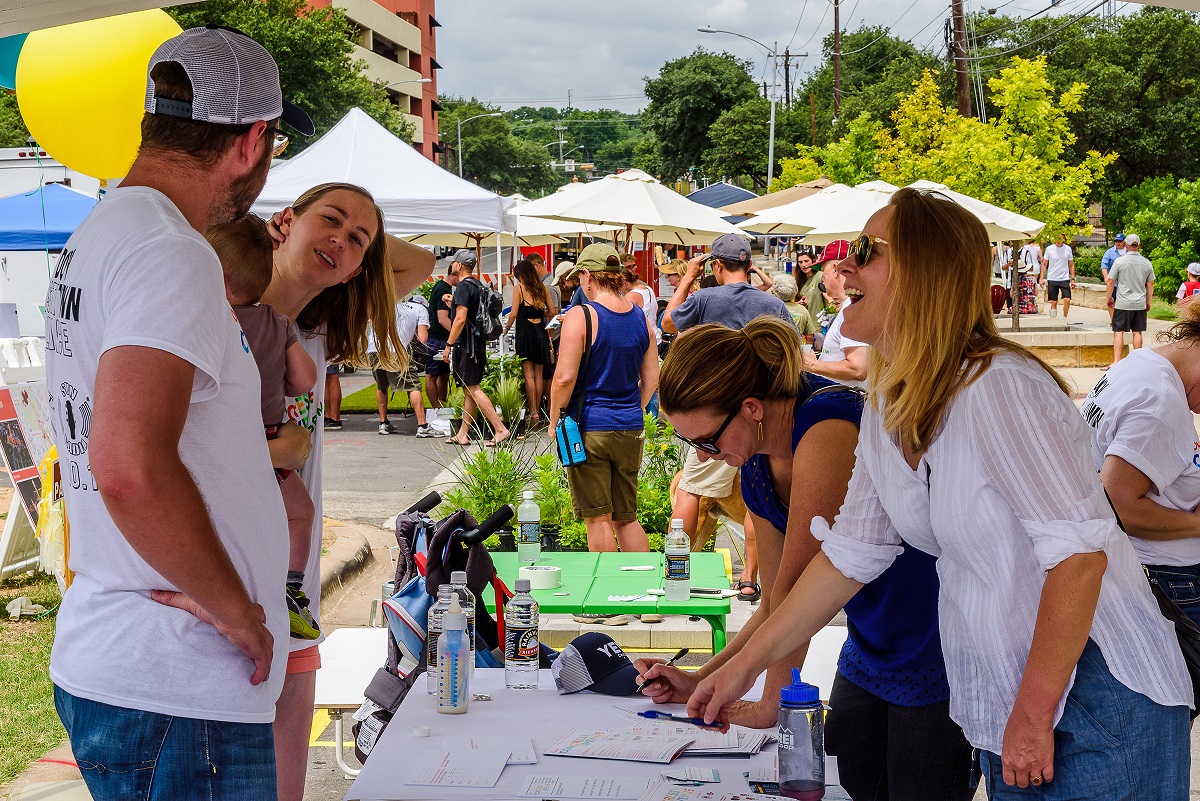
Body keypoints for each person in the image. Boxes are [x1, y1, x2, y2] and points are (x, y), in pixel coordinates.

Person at [688, 188, 1192, 798]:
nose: (841, 264)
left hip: (1090, 696)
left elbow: (1080, 558)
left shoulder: (999, 387)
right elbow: (851, 553)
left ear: (924, 273)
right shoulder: (890, 401)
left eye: (866, 251)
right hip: (1013, 691)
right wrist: (740, 671)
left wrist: (1032, 715)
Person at [44, 27, 315, 800]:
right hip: (176, 682)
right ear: (252, 141)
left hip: (145, 671)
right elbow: (128, 464)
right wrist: (239, 610)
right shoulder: (170, 251)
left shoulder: (103, 232)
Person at [640, 317, 973, 799]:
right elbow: (776, 602)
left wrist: (768, 703)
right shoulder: (754, 455)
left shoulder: (826, 423)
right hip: (871, 645)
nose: (705, 457)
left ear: (751, 408)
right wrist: (702, 678)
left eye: (708, 441)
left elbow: (799, 596)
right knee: (853, 784)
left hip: (935, 646)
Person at [262, 182, 433, 800]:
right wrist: (269, 234)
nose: (342, 239)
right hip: (228, 595)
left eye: (359, 239)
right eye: (329, 220)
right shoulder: (224, 311)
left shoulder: (317, 326)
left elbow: (421, 264)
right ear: (286, 219)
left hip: (295, 595)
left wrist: (350, 242)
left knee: (286, 790)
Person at [208, 215, 321, 641]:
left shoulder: (210, 322)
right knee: (299, 514)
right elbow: (306, 381)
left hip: (225, 442)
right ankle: (292, 591)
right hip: (272, 441)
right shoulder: (277, 322)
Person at [661, 234, 790, 600]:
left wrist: (687, 278)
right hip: (760, 421)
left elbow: (669, 322)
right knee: (758, 498)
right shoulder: (771, 303)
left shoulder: (703, 298)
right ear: (748, 265)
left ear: (716, 266)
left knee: (690, 489)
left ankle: (676, 572)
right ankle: (749, 578)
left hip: (711, 418)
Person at [1084, 300, 1200, 628]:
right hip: (1169, 578)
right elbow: (1118, 505)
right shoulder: (1160, 403)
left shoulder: (1143, 362)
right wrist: (1195, 525)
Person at [549, 243, 658, 553]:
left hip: (589, 428)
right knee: (626, 517)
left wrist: (555, 420)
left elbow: (565, 377)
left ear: (587, 276)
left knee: (598, 519)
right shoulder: (639, 317)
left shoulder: (581, 315)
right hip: (630, 427)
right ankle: (644, 588)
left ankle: (608, 598)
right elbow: (651, 377)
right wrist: (633, 408)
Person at [444, 249, 509, 446]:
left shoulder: (463, 286)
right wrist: (453, 303)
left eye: (454, 262)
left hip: (467, 346)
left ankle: (500, 429)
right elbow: (472, 313)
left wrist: (449, 345)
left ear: (460, 266)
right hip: (478, 344)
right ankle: (463, 433)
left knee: (473, 388)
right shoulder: (478, 285)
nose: (452, 265)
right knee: (469, 390)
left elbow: (461, 319)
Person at [371, 289, 435, 437]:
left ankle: (383, 423)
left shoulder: (397, 306)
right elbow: (422, 338)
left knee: (381, 385)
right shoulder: (421, 310)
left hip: (374, 347)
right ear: (424, 305)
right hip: (395, 348)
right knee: (413, 385)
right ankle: (423, 426)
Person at [805, 241, 868, 388]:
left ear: (835, 269)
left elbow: (858, 368)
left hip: (846, 404)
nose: (821, 278)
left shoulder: (852, 307)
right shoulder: (850, 305)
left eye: (822, 270)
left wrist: (811, 364)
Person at [504, 258, 556, 429]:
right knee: (539, 374)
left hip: (525, 332)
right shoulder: (542, 288)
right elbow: (553, 311)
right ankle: (538, 411)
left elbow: (513, 313)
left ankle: (532, 411)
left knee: (528, 374)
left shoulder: (519, 288)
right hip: (540, 331)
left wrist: (506, 328)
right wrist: (541, 312)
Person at [1105, 233, 1154, 369]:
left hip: (1123, 303)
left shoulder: (1119, 262)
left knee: (1119, 331)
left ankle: (1117, 361)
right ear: (1138, 245)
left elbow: (1110, 281)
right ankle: (1137, 361)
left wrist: (1109, 297)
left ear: (1126, 245)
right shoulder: (1146, 262)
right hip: (1139, 303)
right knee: (1137, 331)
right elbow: (1150, 284)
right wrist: (1148, 301)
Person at [425, 262, 461, 409]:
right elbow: (442, 318)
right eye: (459, 277)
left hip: (441, 338)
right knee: (432, 375)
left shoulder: (444, 287)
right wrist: (456, 334)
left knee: (444, 374)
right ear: (452, 275)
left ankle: (443, 405)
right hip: (436, 338)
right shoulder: (442, 290)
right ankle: (436, 409)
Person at [768, 273, 818, 340]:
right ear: (795, 290)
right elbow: (810, 337)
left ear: (775, 292)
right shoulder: (803, 310)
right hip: (797, 347)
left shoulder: (770, 309)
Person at [1039, 233, 1075, 318]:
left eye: (1060, 238)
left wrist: (1073, 278)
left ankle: (1064, 318)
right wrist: (1041, 278)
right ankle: (1053, 320)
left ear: (1064, 239)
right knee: (1054, 301)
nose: (1059, 241)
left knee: (1067, 299)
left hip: (1064, 278)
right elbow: (1044, 264)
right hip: (1052, 278)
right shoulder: (1049, 249)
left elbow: (1071, 264)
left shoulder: (1068, 249)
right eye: (1057, 238)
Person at [1099, 233, 1128, 320]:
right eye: (1116, 241)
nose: (1117, 243)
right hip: (1113, 283)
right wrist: (1106, 277)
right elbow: (1104, 266)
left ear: (1124, 242)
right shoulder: (1110, 252)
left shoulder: (1129, 252)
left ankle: (1124, 320)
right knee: (1111, 302)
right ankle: (1113, 320)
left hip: (1126, 283)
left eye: (1120, 241)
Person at [1015, 239, 1041, 315]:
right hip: (1031, 306)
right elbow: (1036, 293)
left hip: (1019, 306)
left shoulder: (1016, 280)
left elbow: (1011, 294)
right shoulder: (1032, 279)